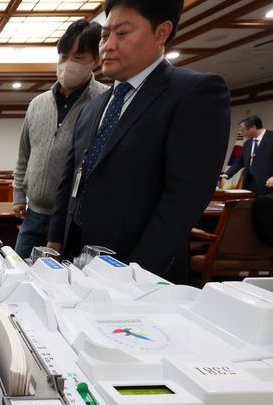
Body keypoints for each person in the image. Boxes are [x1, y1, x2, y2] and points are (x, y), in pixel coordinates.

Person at [47, 0, 230, 282]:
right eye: (105, 35)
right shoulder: (92, 108)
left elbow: (183, 200)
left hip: (139, 271)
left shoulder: (193, 93)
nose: (107, 46)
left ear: (161, 32)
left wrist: (133, 274)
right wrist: (56, 240)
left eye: (122, 33)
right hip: (78, 262)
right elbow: (70, 179)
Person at [13, 19, 108, 259]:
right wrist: (18, 196)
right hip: (33, 213)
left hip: (71, 218)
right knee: (18, 270)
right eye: (63, 56)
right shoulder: (38, 103)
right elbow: (24, 155)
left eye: (78, 57)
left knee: (62, 275)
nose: (68, 64)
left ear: (96, 60)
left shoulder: (104, 101)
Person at [221, 116, 273, 195]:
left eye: (242, 130)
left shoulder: (271, 137)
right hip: (249, 185)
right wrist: (227, 174)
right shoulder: (247, 143)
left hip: (268, 186)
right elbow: (240, 162)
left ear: (252, 128)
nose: (241, 133)